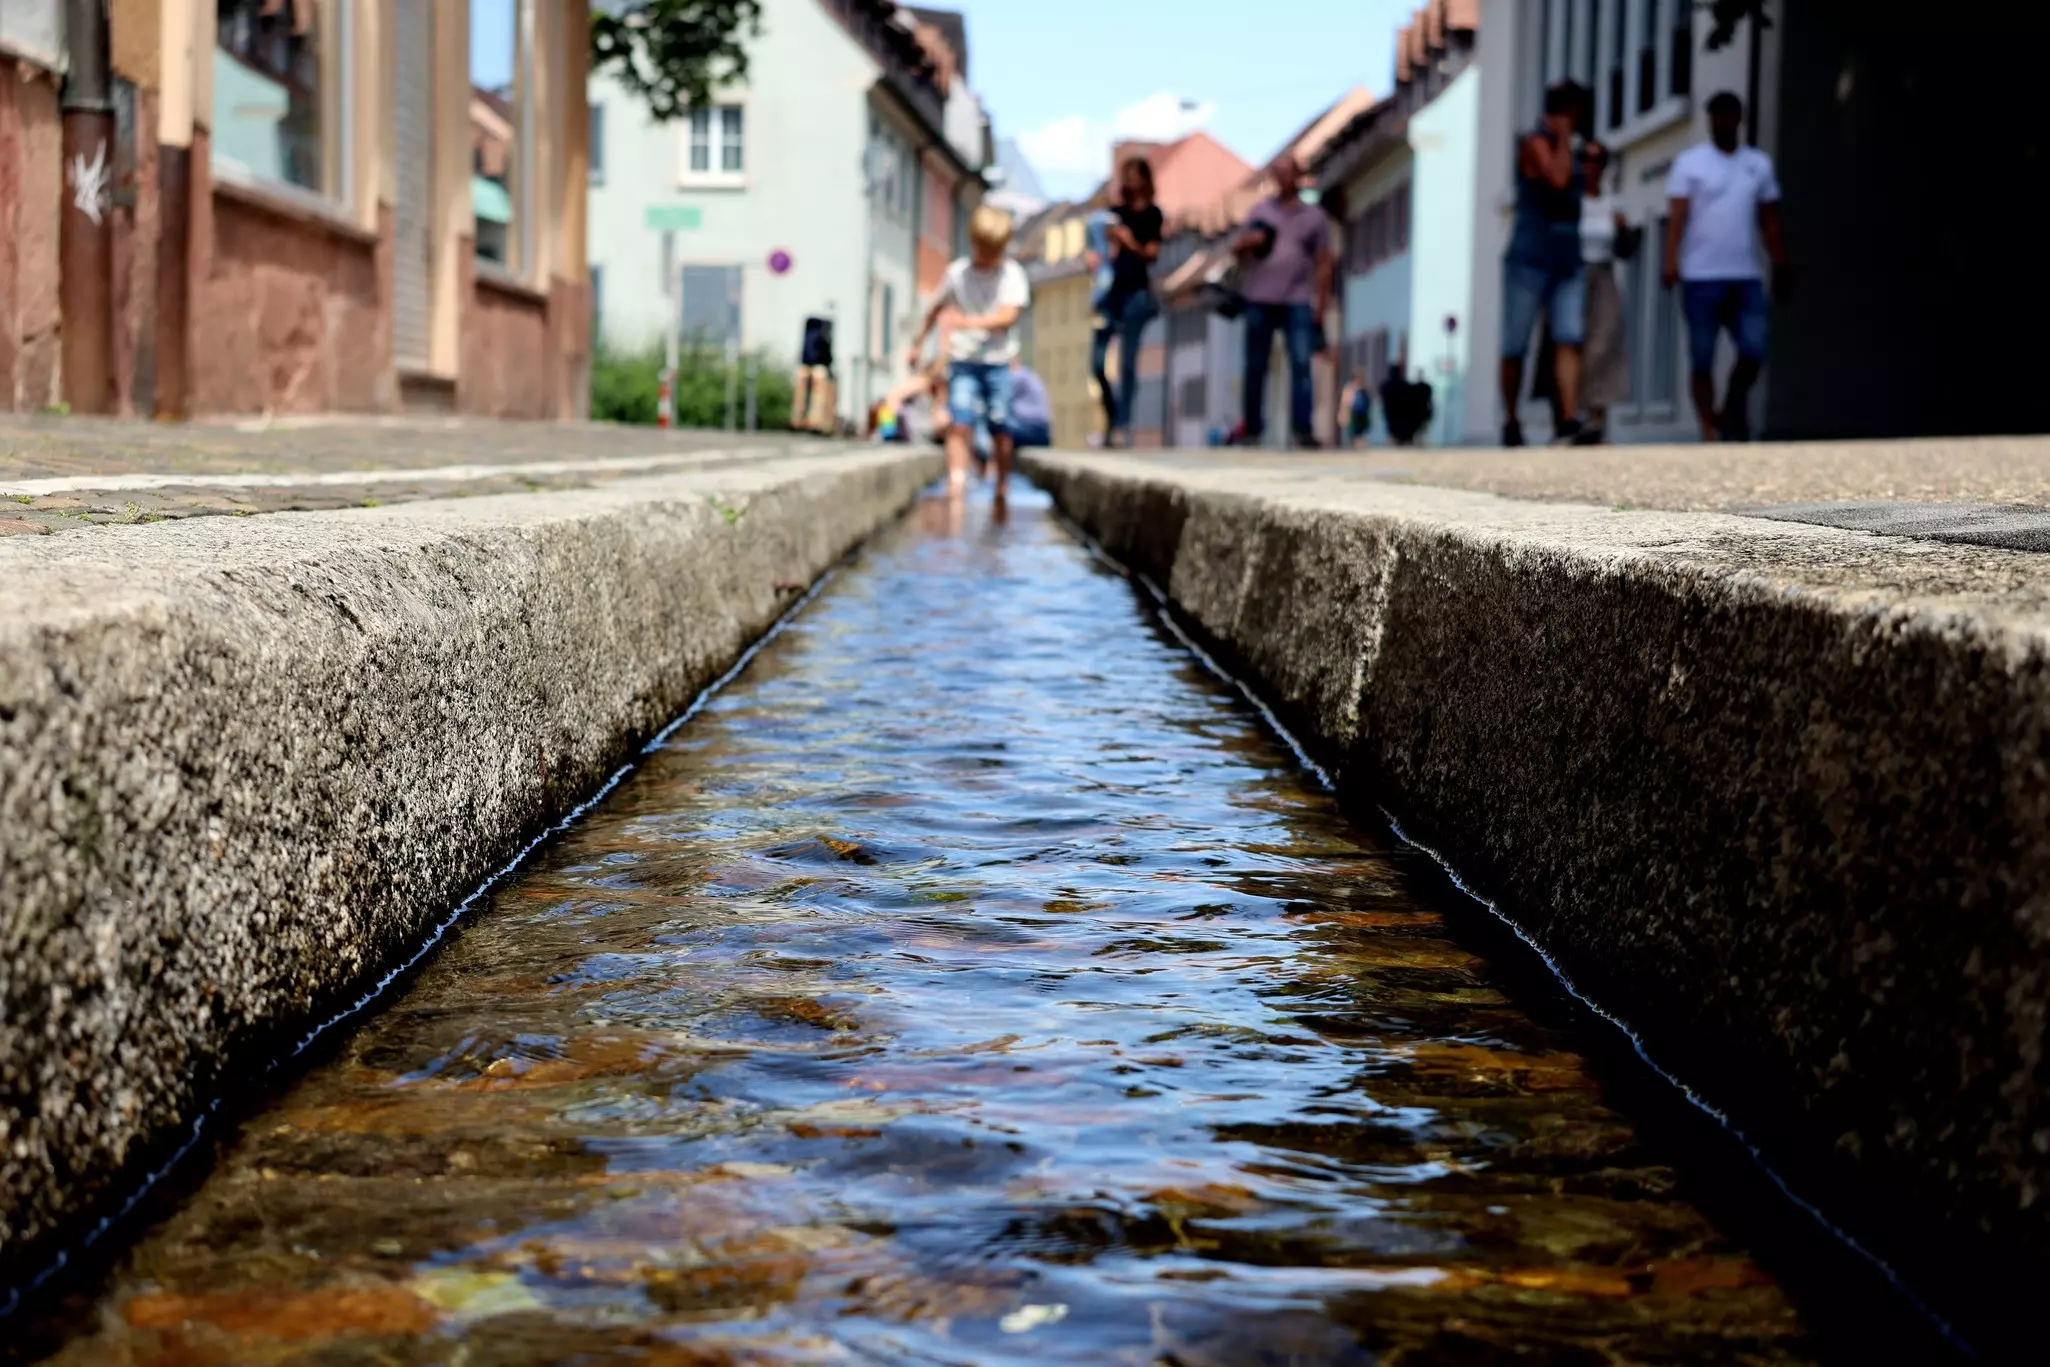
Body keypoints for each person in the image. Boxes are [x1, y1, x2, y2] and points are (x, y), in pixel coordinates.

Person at [1663, 90, 1789, 442]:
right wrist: (1669, 260)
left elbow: (1770, 220)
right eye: (1716, 116)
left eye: (1728, 115)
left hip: (1745, 275)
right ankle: (1709, 427)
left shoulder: (1758, 165)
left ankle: (1733, 405)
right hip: (1700, 276)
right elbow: (1676, 218)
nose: (1722, 123)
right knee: (1702, 357)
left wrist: (1780, 261)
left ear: (1740, 119)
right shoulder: (1690, 163)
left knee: (1754, 348)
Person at [909, 205, 1032, 500]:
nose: (988, 259)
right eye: (983, 251)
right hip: (964, 360)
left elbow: (1008, 316)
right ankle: (957, 481)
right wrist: (917, 342)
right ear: (974, 244)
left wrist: (967, 322)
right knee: (959, 420)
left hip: (998, 361)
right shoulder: (958, 274)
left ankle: (1001, 484)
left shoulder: (1011, 274)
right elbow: (934, 309)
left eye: (994, 253)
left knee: (1000, 423)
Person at [1499, 81, 1591, 446]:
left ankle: (1568, 418)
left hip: (1567, 259)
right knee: (1515, 344)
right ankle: (1510, 419)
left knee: (1569, 336)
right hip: (1529, 260)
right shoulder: (1533, 142)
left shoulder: (1577, 147)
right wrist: (1565, 139)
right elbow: (1557, 177)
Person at [1234, 152, 1333, 449]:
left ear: (1298, 176)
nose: (1283, 178)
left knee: (1301, 365)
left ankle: (1302, 429)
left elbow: (1324, 263)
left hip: (1297, 299)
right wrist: (1247, 243)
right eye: (1278, 172)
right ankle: (1251, 428)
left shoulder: (1314, 217)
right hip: (1258, 298)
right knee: (1254, 366)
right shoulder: (1260, 212)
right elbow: (1236, 249)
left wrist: (1322, 304)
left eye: (1288, 172)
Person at [1087, 157, 1164, 448]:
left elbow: (1151, 254)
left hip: (1136, 295)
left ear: (1144, 180)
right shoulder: (1112, 214)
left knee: (1128, 363)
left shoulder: (1152, 216)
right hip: (1109, 294)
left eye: (1134, 177)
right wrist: (1092, 257)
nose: (1129, 183)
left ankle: (1122, 426)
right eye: (1125, 176)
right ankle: (1111, 416)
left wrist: (1128, 241)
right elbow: (1098, 250)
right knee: (1097, 364)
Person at [1578, 140, 1638, 440]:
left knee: (1602, 344)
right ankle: (1568, 412)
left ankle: (1596, 415)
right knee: (1571, 343)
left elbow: (1627, 251)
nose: (1591, 165)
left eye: (1598, 160)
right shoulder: (1571, 200)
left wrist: (1623, 229)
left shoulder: (1614, 203)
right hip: (1572, 276)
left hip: (1602, 275)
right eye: (1585, 159)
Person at [1007, 360, 1053, 449]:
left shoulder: (1018, 377)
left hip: (1030, 427)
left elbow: (1004, 400)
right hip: (1044, 430)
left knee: (999, 427)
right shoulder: (1030, 374)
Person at [1339, 370, 1372, 448]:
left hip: (1361, 413)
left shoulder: (1363, 389)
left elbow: (1367, 402)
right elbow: (1346, 401)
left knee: (1360, 431)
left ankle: (1359, 444)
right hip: (1353, 412)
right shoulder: (1350, 388)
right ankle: (1354, 444)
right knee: (1353, 430)